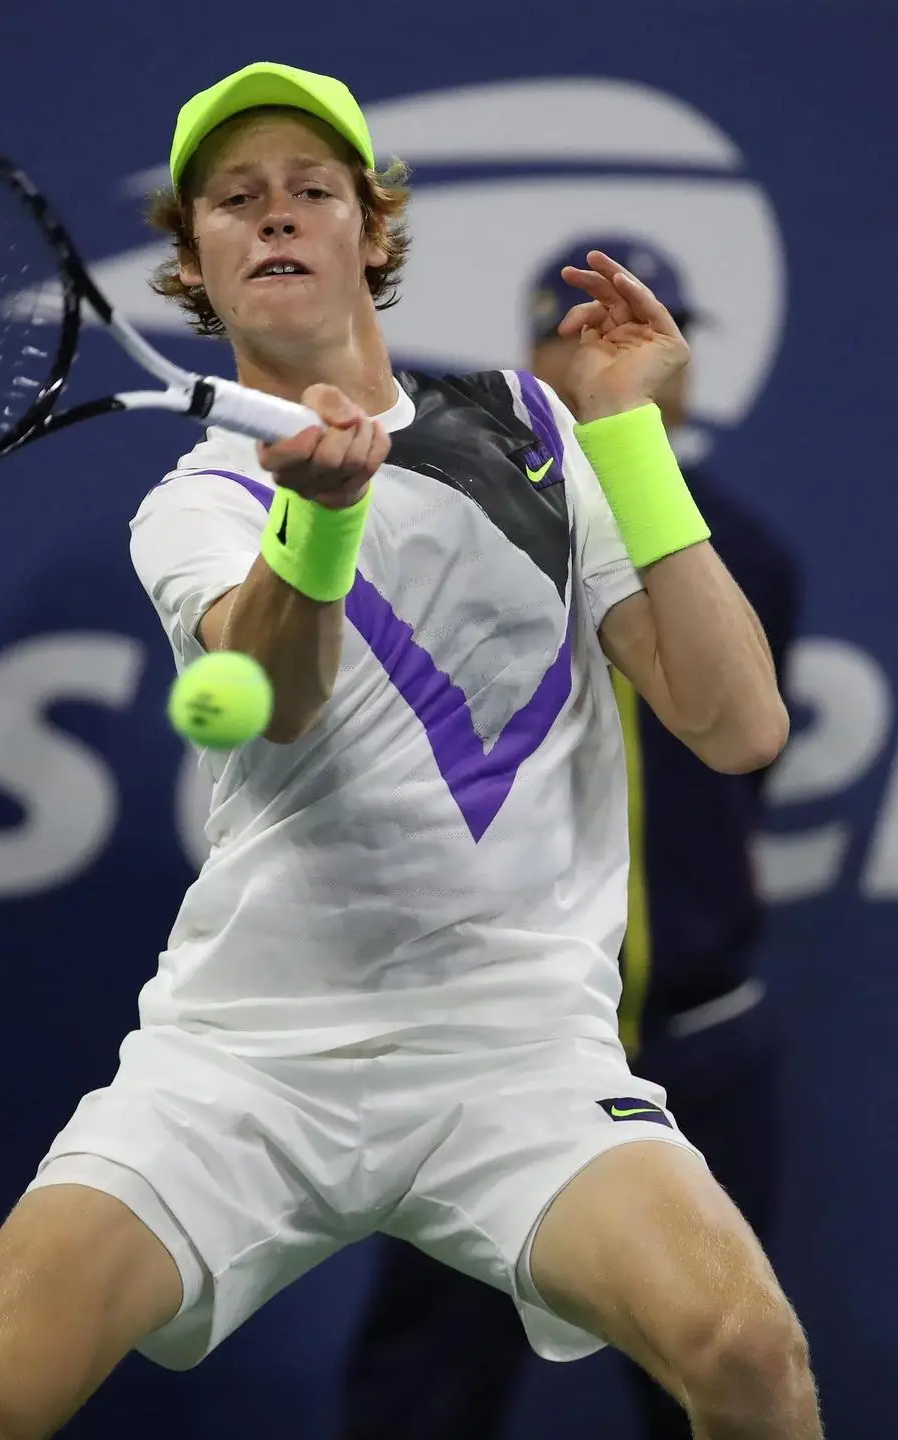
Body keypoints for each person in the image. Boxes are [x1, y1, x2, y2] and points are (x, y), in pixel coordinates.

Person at [0, 64, 821, 1440]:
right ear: (195, 261)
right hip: (243, 1062)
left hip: (516, 1054)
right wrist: (317, 528)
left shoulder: (532, 431)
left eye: (311, 191)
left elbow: (737, 724)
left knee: (748, 1356)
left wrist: (623, 429)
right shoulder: (195, 501)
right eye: (236, 198)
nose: (276, 217)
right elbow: (274, 698)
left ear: (369, 236)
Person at [338, 236, 802, 1440]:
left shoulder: (741, 555)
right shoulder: (458, 537)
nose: (597, 355)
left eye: (627, 333)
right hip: (494, 1046)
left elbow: (738, 748)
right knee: (423, 1388)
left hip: (697, 1042)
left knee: (721, 1371)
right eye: (567, 330)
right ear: (526, 358)